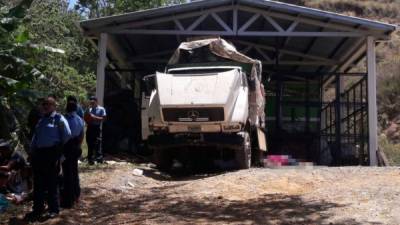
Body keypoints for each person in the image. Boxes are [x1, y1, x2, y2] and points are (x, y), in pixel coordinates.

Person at [26, 96, 71, 220]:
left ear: (54, 106)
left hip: (51, 154)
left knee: (52, 183)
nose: (45, 106)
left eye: (48, 104)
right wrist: (31, 152)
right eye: (44, 104)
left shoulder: (59, 119)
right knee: (38, 183)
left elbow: (67, 135)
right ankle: (37, 209)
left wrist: (57, 149)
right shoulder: (41, 120)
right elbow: (35, 138)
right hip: (39, 155)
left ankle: (53, 209)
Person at [61, 98, 84, 208]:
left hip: (67, 147)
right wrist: (78, 145)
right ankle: (76, 195)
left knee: (67, 173)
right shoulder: (80, 119)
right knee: (74, 171)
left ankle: (68, 200)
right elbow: (81, 135)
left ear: (66, 108)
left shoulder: (64, 119)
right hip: (75, 146)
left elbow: (63, 136)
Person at [0, 139, 31, 204]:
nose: (1, 151)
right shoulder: (3, 156)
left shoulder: (15, 155)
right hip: (11, 183)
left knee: (19, 198)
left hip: (21, 182)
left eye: (3, 149)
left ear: (8, 148)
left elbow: (8, 168)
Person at [84, 96, 106, 165]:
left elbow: (104, 119)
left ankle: (99, 158)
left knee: (97, 142)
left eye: (93, 102)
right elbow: (85, 118)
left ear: (97, 102)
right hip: (90, 127)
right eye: (91, 102)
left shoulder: (101, 109)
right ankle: (90, 158)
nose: (92, 103)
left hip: (96, 127)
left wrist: (94, 117)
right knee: (89, 142)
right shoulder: (89, 109)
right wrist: (87, 117)